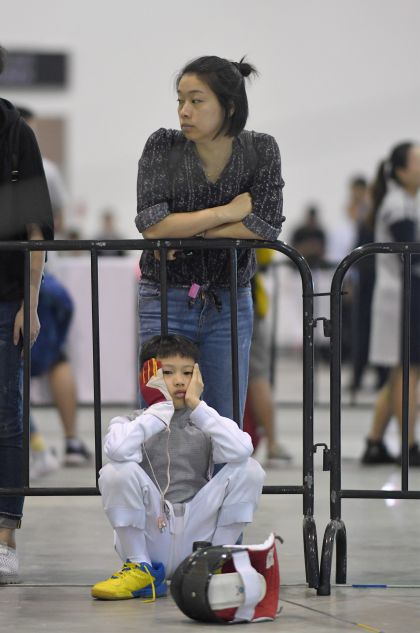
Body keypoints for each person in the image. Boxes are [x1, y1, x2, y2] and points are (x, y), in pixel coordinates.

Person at [135, 55, 285, 423]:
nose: (184, 111)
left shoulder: (261, 150)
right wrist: (226, 213)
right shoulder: (163, 145)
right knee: (161, 417)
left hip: (230, 299)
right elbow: (152, 224)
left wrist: (188, 231)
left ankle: (222, 469)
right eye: (180, 100)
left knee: (224, 421)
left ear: (229, 107)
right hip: (164, 295)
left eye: (196, 101)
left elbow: (265, 226)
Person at [91, 334, 265, 600]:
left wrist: (198, 407)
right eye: (168, 372)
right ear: (147, 377)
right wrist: (159, 408)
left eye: (187, 372)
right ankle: (140, 568)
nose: (180, 381)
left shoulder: (204, 422)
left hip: (198, 535)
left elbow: (242, 450)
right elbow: (117, 450)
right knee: (116, 471)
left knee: (249, 469)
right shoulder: (131, 423)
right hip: (153, 534)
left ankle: (216, 563)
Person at [0, 45, 54, 583]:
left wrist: (30, 303)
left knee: (7, 417)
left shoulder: (17, 134)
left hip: (5, 298)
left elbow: (37, 228)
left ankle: (4, 534)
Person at [17, 106, 91, 474]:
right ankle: (56, 442)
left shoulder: (39, 167)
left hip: (36, 280)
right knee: (44, 362)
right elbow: (56, 218)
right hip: (42, 277)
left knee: (21, 363)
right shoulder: (45, 167)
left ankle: (40, 446)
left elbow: (51, 220)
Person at [361, 141, 420, 465]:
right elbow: (411, 255)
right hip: (399, 296)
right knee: (406, 371)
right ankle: (408, 446)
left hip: (405, 294)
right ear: (401, 171)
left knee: (401, 373)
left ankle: (374, 441)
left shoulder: (409, 201)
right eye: (417, 161)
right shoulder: (398, 204)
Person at [246, 248, 291, 462]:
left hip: (203, 298)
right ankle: (272, 443)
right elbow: (265, 254)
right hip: (246, 300)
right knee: (258, 376)